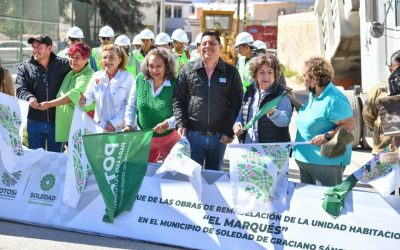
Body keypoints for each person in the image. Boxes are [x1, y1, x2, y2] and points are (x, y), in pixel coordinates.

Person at [173, 31, 243, 170]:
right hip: (193, 136)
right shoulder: (187, 70)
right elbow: (178, 99)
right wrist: (180, 123)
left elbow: (237, 103)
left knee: (214, 180)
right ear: (198, 48)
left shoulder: (231, 72)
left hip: (219, 138)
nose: (207, 46)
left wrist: (229, 131)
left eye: (212, 43)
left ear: (220, 47)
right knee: (192, 178)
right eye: (204, 44)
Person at [292, 56, 355, 186]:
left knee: (326, 202)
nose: (303, 80)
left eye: (305, 76)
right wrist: (292, 99)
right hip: (306, 160)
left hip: (325, 163)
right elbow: (308, 117)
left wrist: (326, 136)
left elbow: (350, 124)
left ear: (314, 78)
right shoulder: (314, 94)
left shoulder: (333, 99)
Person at [16, 34, 71, 152]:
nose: (35, 50)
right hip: (34, 121)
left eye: (39, 47)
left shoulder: (64, 65)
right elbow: (21, 89)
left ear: (49, 48)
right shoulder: (24, 67)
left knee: (56, 160)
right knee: (35, 160)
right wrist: (30, 98)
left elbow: (81, 72)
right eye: (33, 47)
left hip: (57, 121)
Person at [123, 48, 179, 163]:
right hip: (144, 138)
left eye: (159, 66)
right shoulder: (140, 79)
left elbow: (181, 112)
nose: (154, 70)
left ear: (167, 66)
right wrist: (128, 124)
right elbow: (131, 105)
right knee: (145, 175)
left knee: (172, 176)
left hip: (169, 139)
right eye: (151, 66)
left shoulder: (175, 83)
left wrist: (168, 124)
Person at [37, 43, 94, 144]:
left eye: (77, 57)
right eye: (71, 57)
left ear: (86, 59)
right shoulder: (70, 73)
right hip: (68, 128)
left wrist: (49, 104)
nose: (73, 60)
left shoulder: (89, 75)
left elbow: (71, 96)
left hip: (81, 129)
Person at [233, 53, 293, 143]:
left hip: (271, 151)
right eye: (261, 72)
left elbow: (285, 121)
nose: (266, 76)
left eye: (270, 72)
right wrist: (237, 124)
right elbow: (242, 112)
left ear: (275, 74)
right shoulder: (250, 91)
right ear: (255, 74)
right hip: (249, 149)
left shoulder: (281, 94)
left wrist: (273, 113)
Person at [79, 44, 133, 132]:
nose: (107, 61)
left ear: (119, 59)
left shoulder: (128, 77)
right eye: (104, 58)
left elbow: (130, 105)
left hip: (121, 129)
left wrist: (114, 123)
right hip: (100, 128)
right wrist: (84, 100)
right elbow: (89, 96)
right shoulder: (96, 76)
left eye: (111, 57)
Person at [362, 50, 400, 154]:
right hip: (384, 150)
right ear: (391, 70)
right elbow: (368, 115)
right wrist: (379, 130)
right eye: (398, 70)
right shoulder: (379, 90)